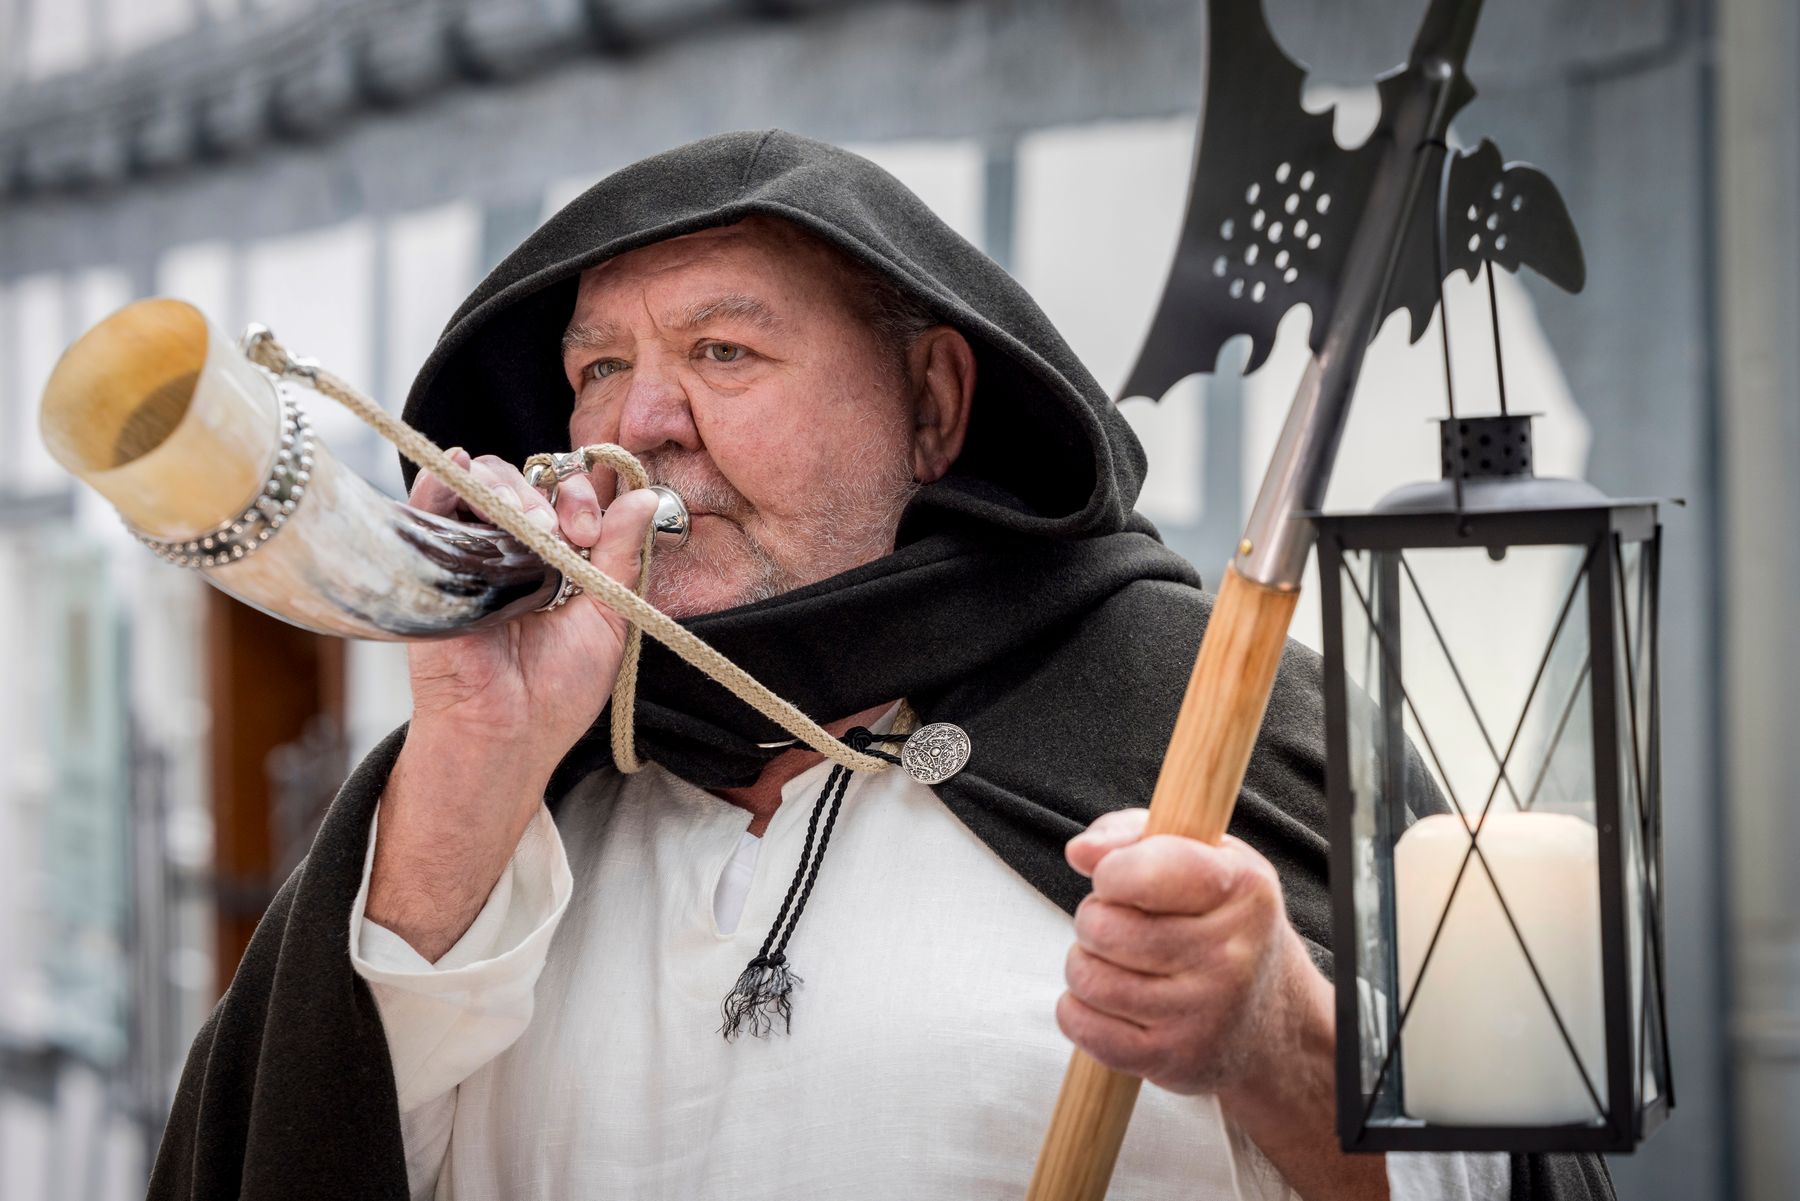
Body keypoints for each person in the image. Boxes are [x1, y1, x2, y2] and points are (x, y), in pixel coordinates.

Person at [149, 131, 1612, 1201]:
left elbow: (1503, 1171)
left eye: (723, 353)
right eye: (599, 367)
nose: (640, 417)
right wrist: (474, 771)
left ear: (930, 403)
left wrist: (1271, 1037)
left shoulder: (1196, 711)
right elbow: (296, 1158)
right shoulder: (503, 795)